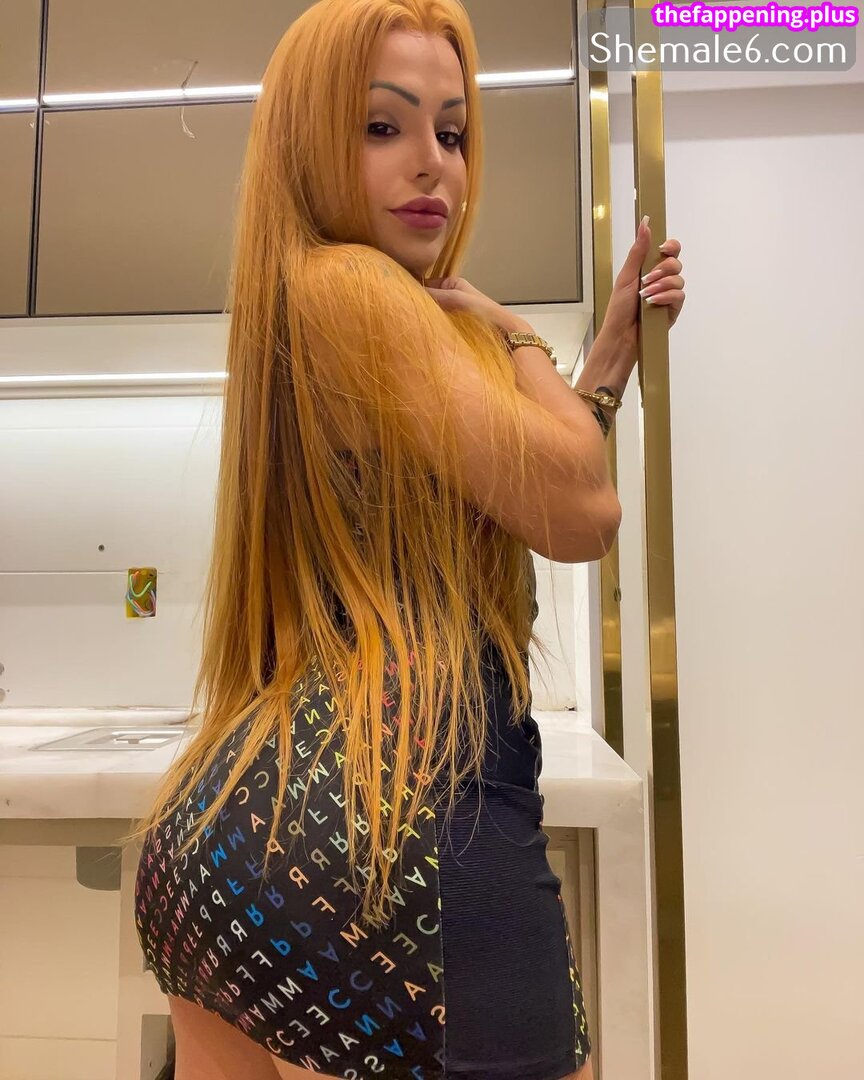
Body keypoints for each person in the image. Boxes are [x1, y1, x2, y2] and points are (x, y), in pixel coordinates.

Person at [126, 1, 685, 1078]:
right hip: (402, 841)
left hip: (224, 844)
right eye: (383, 127)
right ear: (310, 143)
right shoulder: (354, 285)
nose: (432, 163)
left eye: (452, 131)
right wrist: (507, 325)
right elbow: (582, 514)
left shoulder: (306, 303)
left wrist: (605, 366)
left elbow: (527, 482)